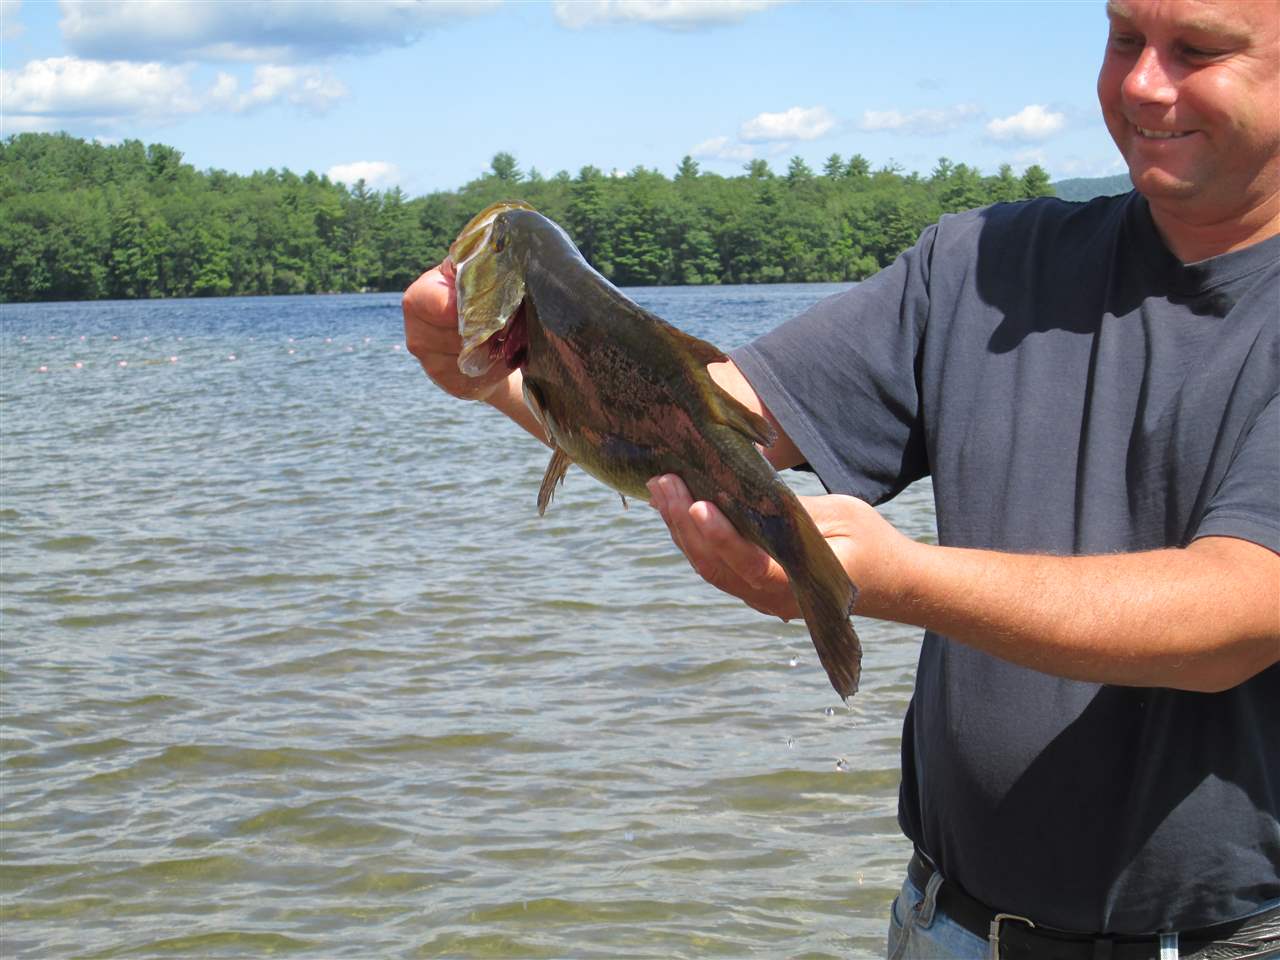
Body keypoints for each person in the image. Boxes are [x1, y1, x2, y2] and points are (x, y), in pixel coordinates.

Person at [404, 0, 1280, 955]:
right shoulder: (983, 263)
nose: (1144, 84)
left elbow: (1236, 613)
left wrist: (897, 580)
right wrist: (490, 372)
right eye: (1123, 40)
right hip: (945, 923)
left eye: (1196, 51)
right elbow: (711, 418)